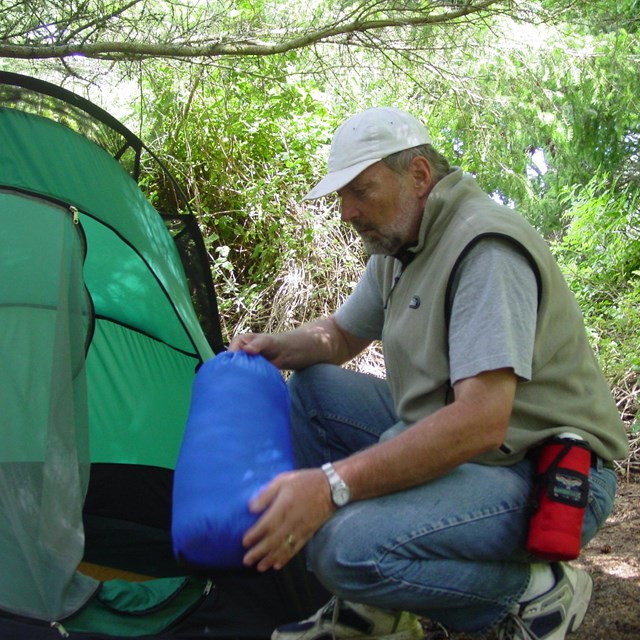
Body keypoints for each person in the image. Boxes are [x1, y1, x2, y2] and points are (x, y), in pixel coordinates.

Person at [229, 107, 629, 640]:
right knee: (313, 389)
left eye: (360, 191)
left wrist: (331, 486)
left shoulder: (485, 249)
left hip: (543, 472)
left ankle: (536, 591)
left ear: (418, 175)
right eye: (341, 195)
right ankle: (371, 615)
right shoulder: (401, 242)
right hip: (477, 449)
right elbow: (342, 337)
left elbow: (481, 422)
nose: (346, 211)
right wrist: (275, 347)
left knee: (343, 547)